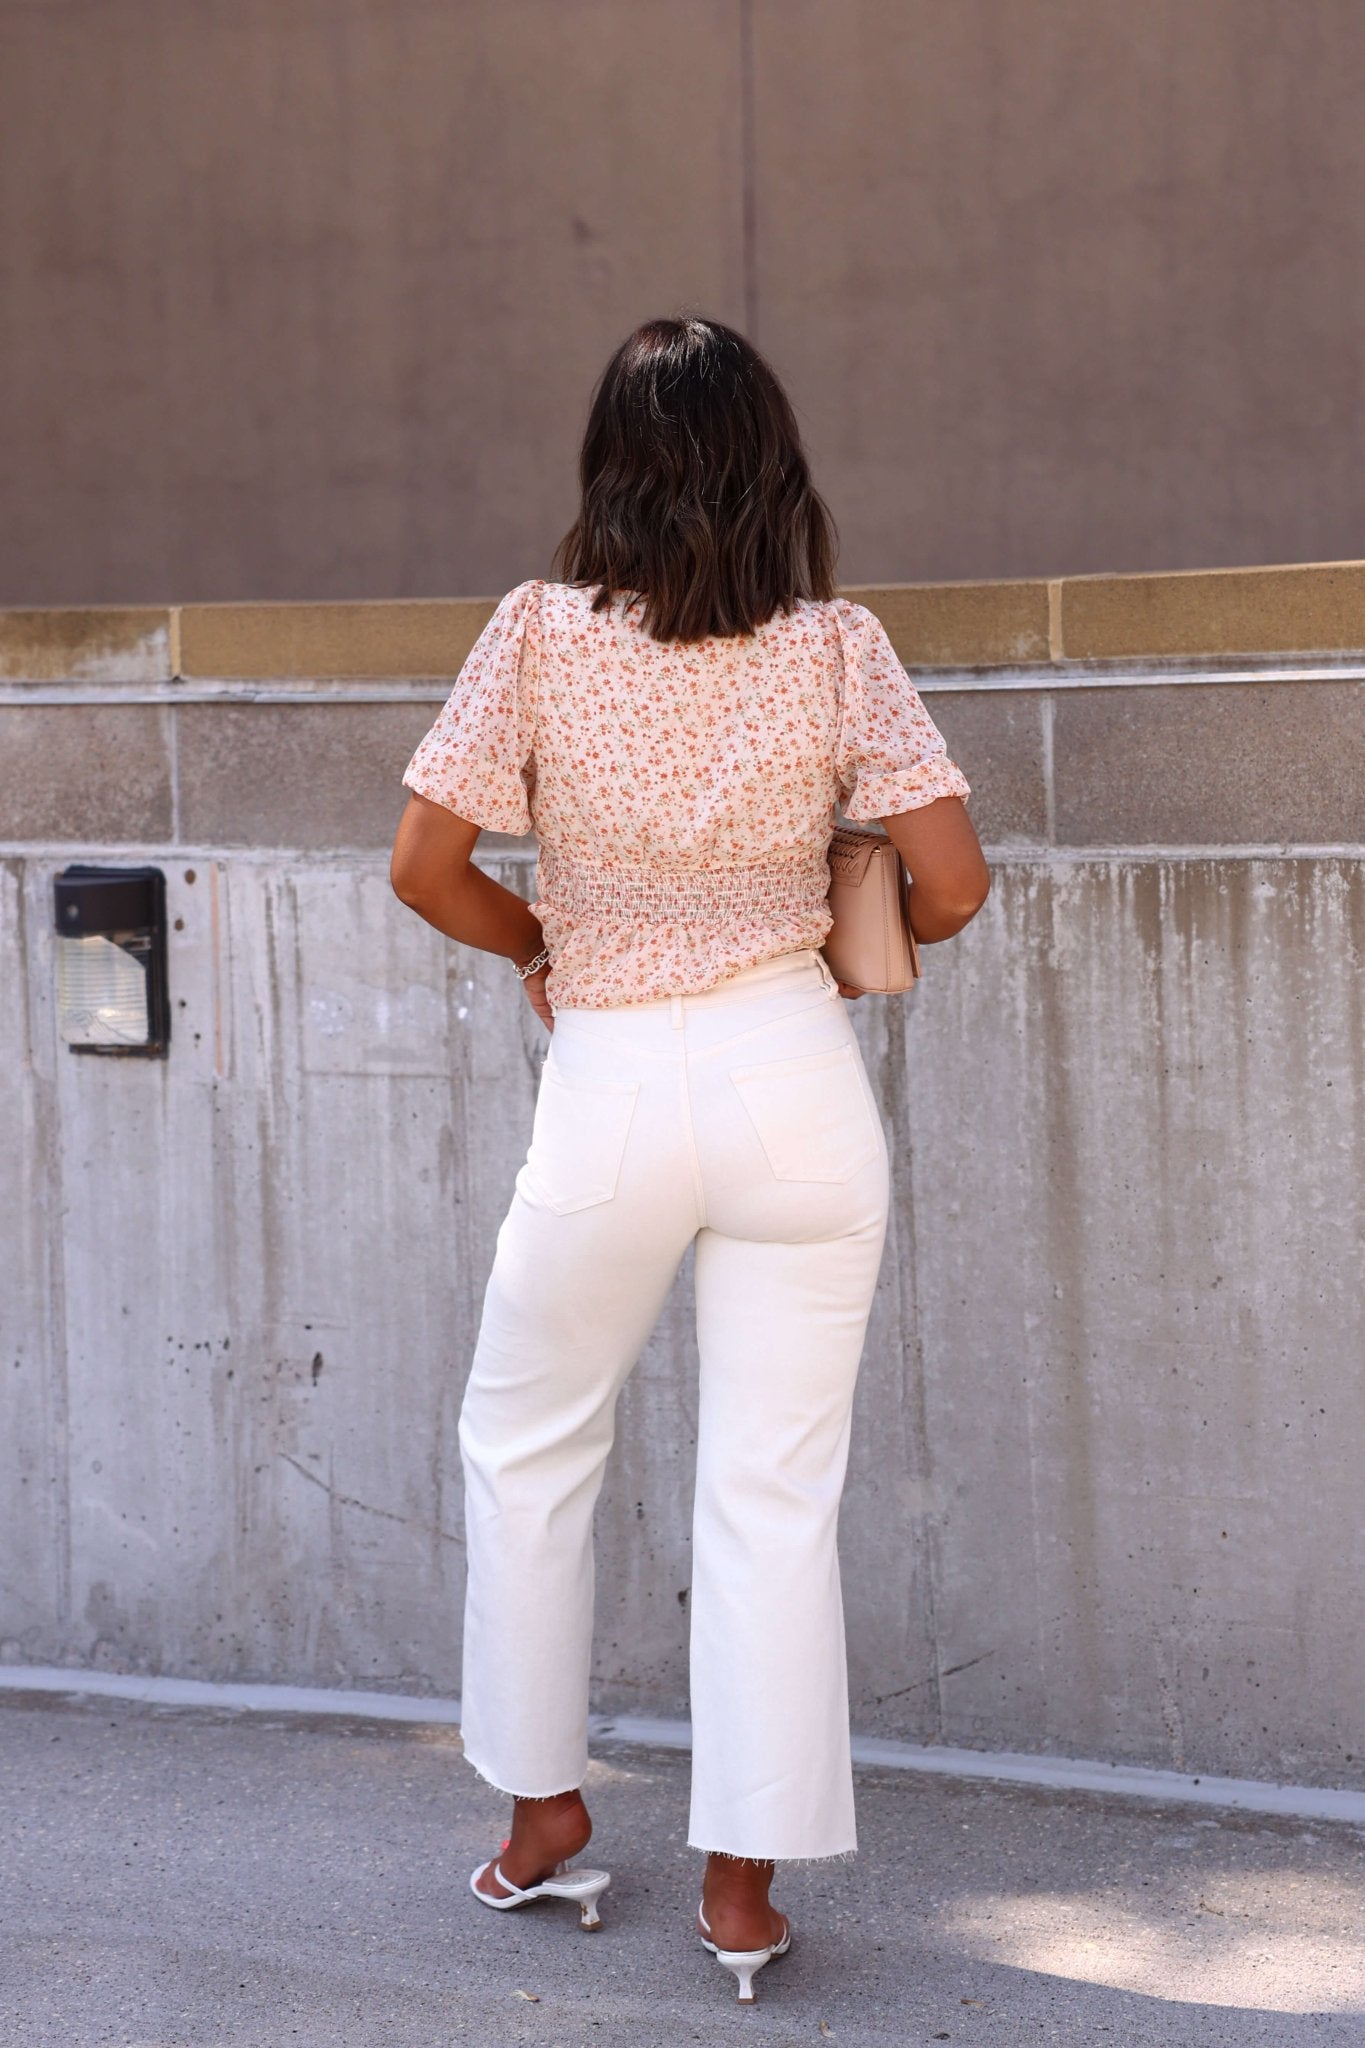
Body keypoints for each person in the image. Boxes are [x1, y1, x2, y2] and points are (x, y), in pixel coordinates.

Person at [389, 316, 989, 2005]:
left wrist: (540, 946)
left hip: (610, 1087)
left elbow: (424, 863)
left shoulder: (535, 635)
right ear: (770, 461)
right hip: (791, 1077)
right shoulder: (835, 648)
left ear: (610, 467)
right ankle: (739, 1890)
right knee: (772, 1495)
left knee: (524, 1444)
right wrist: (828, 899)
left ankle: (544, 1811)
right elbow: (952, 885)